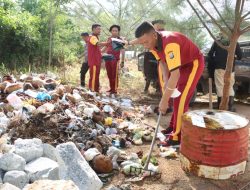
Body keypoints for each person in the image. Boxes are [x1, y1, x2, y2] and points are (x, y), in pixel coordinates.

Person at [125, 21, 204, 146]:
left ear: (154, 35)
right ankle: (172, 127)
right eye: (142, 43)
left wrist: (163, 100)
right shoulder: (153, 44)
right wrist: (167, 88)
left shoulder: (170, 43)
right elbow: (163, 64)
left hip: (192, 63)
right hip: (180, 66)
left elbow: (176, 74)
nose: (145, 46)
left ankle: (177, 136)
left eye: (146, 42)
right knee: (173, 97)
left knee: (181, 99)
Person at [207, 33, 242, 111]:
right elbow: (240, 56)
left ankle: (221, 106)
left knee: (220, 87)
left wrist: (215, 61)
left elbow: (210, 55)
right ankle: (229, 107)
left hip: (219, 68)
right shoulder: (234, 42)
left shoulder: (217, 41)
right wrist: (234, 57)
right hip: (230, 69)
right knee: (230, 87)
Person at [103, 25, 125, 94]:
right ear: (111, 31)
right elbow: (105, 47)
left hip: (115, 59)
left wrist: (122, 61)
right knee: (109, 74)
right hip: (107, 58)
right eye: (113, 30)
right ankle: (111, 88)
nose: (114, 32)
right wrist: (99, 52)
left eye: (116, 31)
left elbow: (123, 51)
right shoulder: (109, 38)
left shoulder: (120, 39)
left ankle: (114, 89)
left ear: (118, 32)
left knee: (114, 74)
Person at [88, 24, 109, 92]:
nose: (100, 30)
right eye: (98, 29)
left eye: (100, 29)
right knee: (93, 77)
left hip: (97, 61)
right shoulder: (92, 37)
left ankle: (96, 91)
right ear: (93, 29)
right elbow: (98, 44)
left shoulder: (96, 37)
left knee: (96, 76)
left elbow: (99, 50)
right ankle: (92, 91)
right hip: (93, 61)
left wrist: (106, 46)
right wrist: (107, 43)